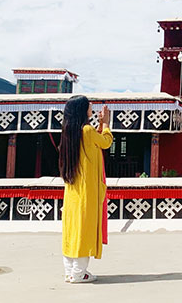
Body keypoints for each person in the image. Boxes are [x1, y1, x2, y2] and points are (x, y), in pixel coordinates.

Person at [58, 95, 112, 283]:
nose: (92, 107)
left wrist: (98, 124)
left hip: (72, 192)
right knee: (85, 229)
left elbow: (93, 143)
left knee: (72, 229)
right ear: (82, 110)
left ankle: (70, 271)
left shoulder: (68, 132)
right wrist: (105, 124)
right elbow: (105, 142)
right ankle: (79, 273)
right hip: (87, 192)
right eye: (89, 106)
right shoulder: (87, 130)